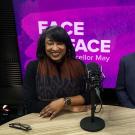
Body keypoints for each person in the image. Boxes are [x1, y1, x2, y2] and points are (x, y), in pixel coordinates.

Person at [23, 26, 90, 119]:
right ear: (44, 46)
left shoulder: (79, 65)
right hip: (44, 120)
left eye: (60, 43)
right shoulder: (33, 67)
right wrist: (68, 107)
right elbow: (30, 104)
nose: (55, 48)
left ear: (66, 45)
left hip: (75, 118)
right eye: (50, 43)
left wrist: (63, 102)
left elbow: (88, 97)